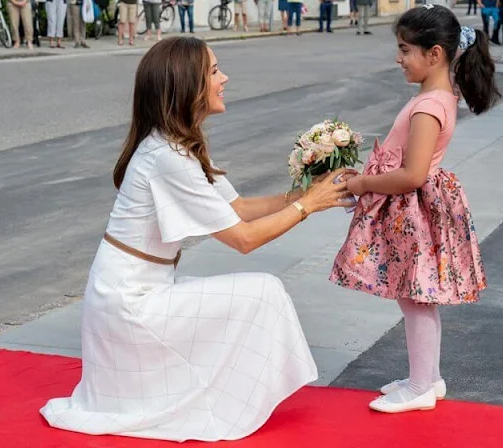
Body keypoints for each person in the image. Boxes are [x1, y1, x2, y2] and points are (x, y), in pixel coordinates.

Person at [39, 37, 356, 442]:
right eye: (214, 71)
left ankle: (219, 393)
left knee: (257, 293)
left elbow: (238, 208)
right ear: (187, 85)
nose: (224, 78)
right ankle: (224, 400)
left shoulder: (175, 146)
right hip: (129, 305)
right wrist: (309, 205)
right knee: (264, 291)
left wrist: (309, 193)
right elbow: (243, 238)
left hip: (134, 291)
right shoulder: (168, 157)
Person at [330, 6, 499, 413]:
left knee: (415, 296)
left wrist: (362, 183)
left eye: (405, 49)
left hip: (413, 213)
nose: (398, 58)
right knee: (416, 296)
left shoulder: (428, 106)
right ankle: (428, 377)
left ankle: (422, 385)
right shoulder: (434, 98)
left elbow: (413, 175)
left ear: (435, 54)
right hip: (413, 210)